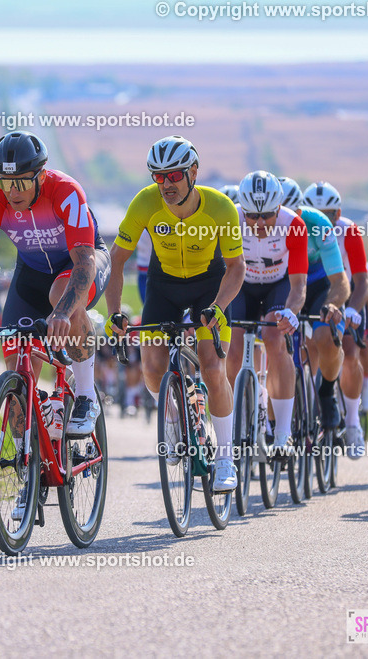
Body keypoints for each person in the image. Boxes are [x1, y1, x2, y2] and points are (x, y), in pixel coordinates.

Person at [0, 130, 111, 440]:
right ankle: (30, 456)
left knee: (61, 295)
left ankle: (86, 395)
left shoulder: (65, 191)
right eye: (5, 182)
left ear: (41, 175)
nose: (13, 191)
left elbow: (84, 262)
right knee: (17, 374)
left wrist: (62, 313)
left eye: (22, 182)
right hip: (31, 273)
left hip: (81, 263)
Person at [107, 136, 245, 493]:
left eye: (173, 176)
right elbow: (117, 260)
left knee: (212, 367)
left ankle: (226, 460)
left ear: (193, 172)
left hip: (209, 288)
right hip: (163, 286)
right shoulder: (145, 202)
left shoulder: (221, 207)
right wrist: (114, 312)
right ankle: (171, 419)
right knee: (152, 367)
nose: (166, 184)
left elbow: (236, 267)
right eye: (158, 177)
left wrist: (219, 306)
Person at [226, 171, 308, 451]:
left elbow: (299, 285)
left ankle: (283, 433)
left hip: (278, 286)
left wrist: (292, 311)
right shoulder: (230, 220)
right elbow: (218, 272)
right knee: (232, 349)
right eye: (252, 216)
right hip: (241, 285)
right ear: (242, 211)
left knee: (274, 339)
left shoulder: (293, 225)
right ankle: (235, 421)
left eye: (267, 215)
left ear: (279, 208)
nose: (260, 223)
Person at [305, 181, 368, 459]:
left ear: (338, 214)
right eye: (316, 213)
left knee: (351, 354)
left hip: (348, 293)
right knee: (308, 348)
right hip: (316, 290)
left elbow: (362, 281)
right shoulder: (301, 228)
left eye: (329, 215)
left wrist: (353, 309)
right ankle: (306, 411)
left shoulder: (349, 231)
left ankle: (353, 422)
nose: (322, 219)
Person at [292, 190, 351, 433]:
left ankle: (327, 392)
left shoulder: (318, 223)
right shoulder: (261, 223)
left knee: (325, 337)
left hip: (319, 284)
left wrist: (333, 304)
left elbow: (341, 281)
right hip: (286, 285)